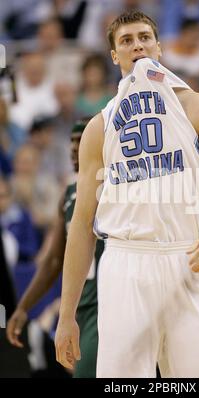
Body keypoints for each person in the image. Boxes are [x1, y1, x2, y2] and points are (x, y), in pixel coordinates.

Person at [55, 10, 199, 378]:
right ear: (114, 55)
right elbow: (81, 226)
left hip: (188, 256)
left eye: (144, 37)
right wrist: (67, 316)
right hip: (127, 263)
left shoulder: (197, 106)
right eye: (126, 41)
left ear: (158, 47)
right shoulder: (99, 128)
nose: (137, 45)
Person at [6, 120, 104, 378]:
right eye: (71, 141)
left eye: (80, 141)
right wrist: (23, 308)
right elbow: (52, 260)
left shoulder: (116, 190)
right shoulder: (70, 193)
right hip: (79, 307)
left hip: (105, 306)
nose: (74, 148)